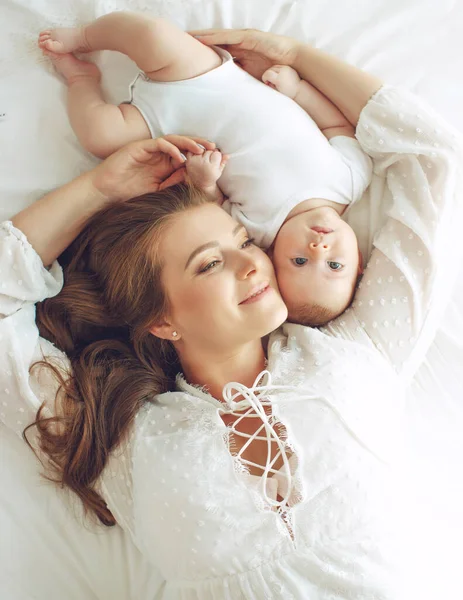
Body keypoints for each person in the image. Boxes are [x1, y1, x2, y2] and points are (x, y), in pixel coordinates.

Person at [2, 27, 462, 599]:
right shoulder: (124, 440)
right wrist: (99, 186)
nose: (252, 265)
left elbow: (432, 158)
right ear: (160, 322)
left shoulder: (361, 348)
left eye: (245, 241)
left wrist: (296, 56)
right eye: (206, 264)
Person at [37, 12, 373, 327]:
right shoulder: (352, 180)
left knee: (100, 135)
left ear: (273, 259)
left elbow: (213, 203)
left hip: (171, 124)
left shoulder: (258, 229)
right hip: (211, 79)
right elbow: (334, 125)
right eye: (335, 265)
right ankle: (85, 36)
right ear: (358, 263)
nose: (318, 249)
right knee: (151, 35)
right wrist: (298, 90)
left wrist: (205, 181)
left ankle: (81, 79)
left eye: (299, 262)